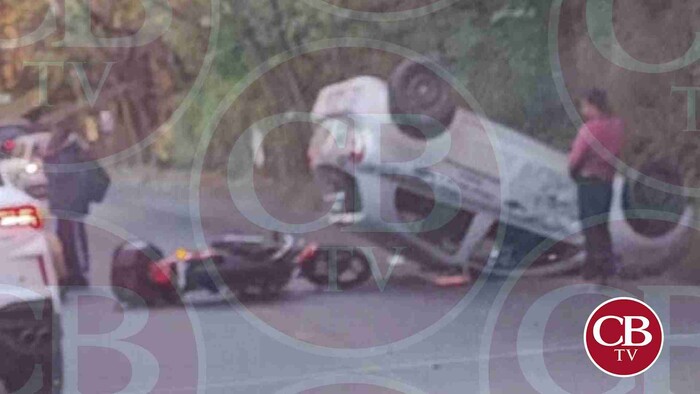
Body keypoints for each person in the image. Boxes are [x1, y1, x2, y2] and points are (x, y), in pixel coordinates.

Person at [568, 89, 625, 282]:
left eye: (585, 106)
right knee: (602, 224)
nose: (583, 110)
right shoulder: (617, 126)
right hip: (606, 182)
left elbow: (576, 157)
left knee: (589, 224)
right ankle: (604, 266)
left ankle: (595, 268)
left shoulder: (589, 129)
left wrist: (572, 173)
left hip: (588, 180)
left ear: (594, 106)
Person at [44, 127, 109, 287]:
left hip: (69, 205)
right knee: (69, 239)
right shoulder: (71, 152)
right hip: (68, 205)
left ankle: (78, 273)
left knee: (72, 238)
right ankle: (74, 272)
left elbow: (59, 176)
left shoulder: (68, 153)